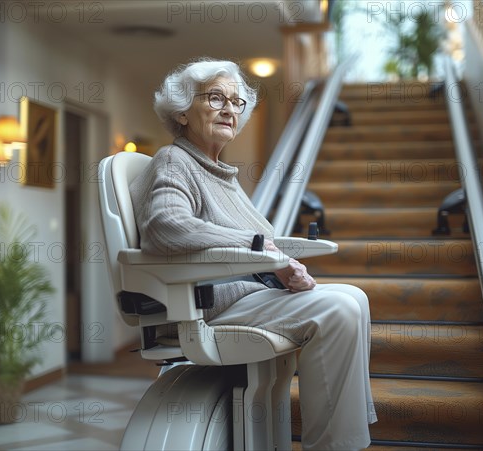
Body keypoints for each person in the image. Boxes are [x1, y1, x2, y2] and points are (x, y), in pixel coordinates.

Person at [129, 58, 377, 450]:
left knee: (355, 298)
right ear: (181, 112)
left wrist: (282, 267)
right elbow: (166, 226)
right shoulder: (174, 161)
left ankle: (346, 438)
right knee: (338, 309)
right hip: (210, 306)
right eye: (215, 98)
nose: (229, 109)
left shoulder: (218, 172)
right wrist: (261, 250)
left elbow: (255, 243)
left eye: (236, 101)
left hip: (248, 294)